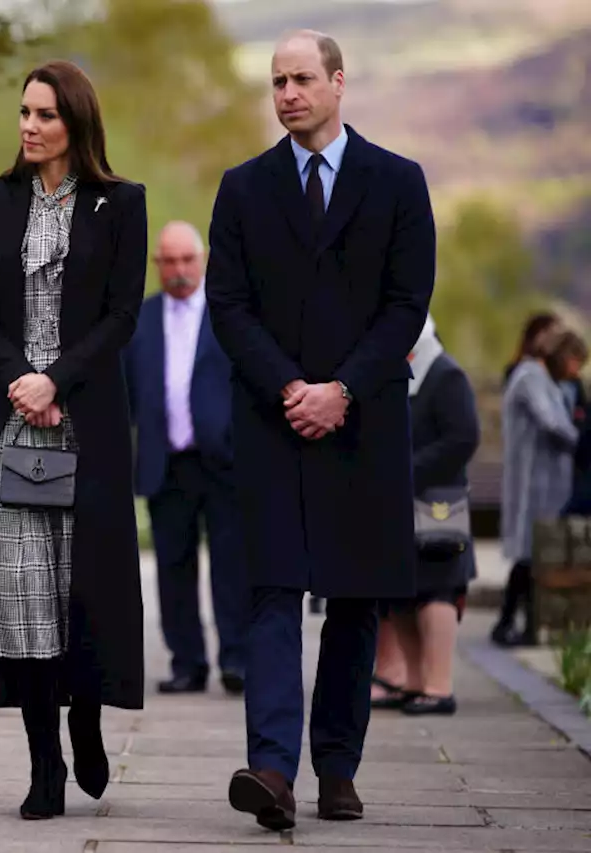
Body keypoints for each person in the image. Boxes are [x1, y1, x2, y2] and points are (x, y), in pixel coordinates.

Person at [204, 30, 435, 831]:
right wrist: (291, 388)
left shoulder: (398, 182)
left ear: (340, 82)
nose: (289, 93)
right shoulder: (242, 188)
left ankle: (338, 769)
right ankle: (271, 768)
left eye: (303, 78)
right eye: (277, 81)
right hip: (271, 423)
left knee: (354, 599)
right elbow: (227, 305)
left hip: (365, 424)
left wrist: (341, 389)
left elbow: (407, 302)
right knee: (270, 590)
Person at [0, 59, 148, 821]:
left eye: (45, 115)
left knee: (85, 589)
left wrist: (57, 380)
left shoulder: (120, 203)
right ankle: (45, 765)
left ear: (76, 123)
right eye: (24, 113)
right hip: (13, 423)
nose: (29, 126)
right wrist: (19, 378)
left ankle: (88, 716)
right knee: (23, 594)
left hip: (89, 423)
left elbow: (121, 315)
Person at [123, 221, 247, 697]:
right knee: (173, 568)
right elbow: (124, 389)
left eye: (186, 260)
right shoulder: (140, 319)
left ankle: (235, 660)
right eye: (168, 262)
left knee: (232, 566)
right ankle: (186, 664)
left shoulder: (229, 314)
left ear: (203, 260)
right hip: (164, 461)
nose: (178, 271)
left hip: (223, 462)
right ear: (157, 265)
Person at [370, 316, 480, 716]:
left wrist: (408, 470)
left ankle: (438, 684)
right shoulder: (404, 374)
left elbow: (462, 437)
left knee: (437, 591)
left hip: (436, 502)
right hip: (399, 501)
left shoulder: (445, 374)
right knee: (402, 594)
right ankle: (414, 681)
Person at [493, 326, 586, 646]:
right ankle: (512, 624)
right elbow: (552, 422)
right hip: (534, 481)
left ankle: (522, 625)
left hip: (545, 481)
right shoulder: (531, 376)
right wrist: (583, 442)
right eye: (575, 361)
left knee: (534, 553)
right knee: (529, 553)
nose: (576, 371)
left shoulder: (543, 379)